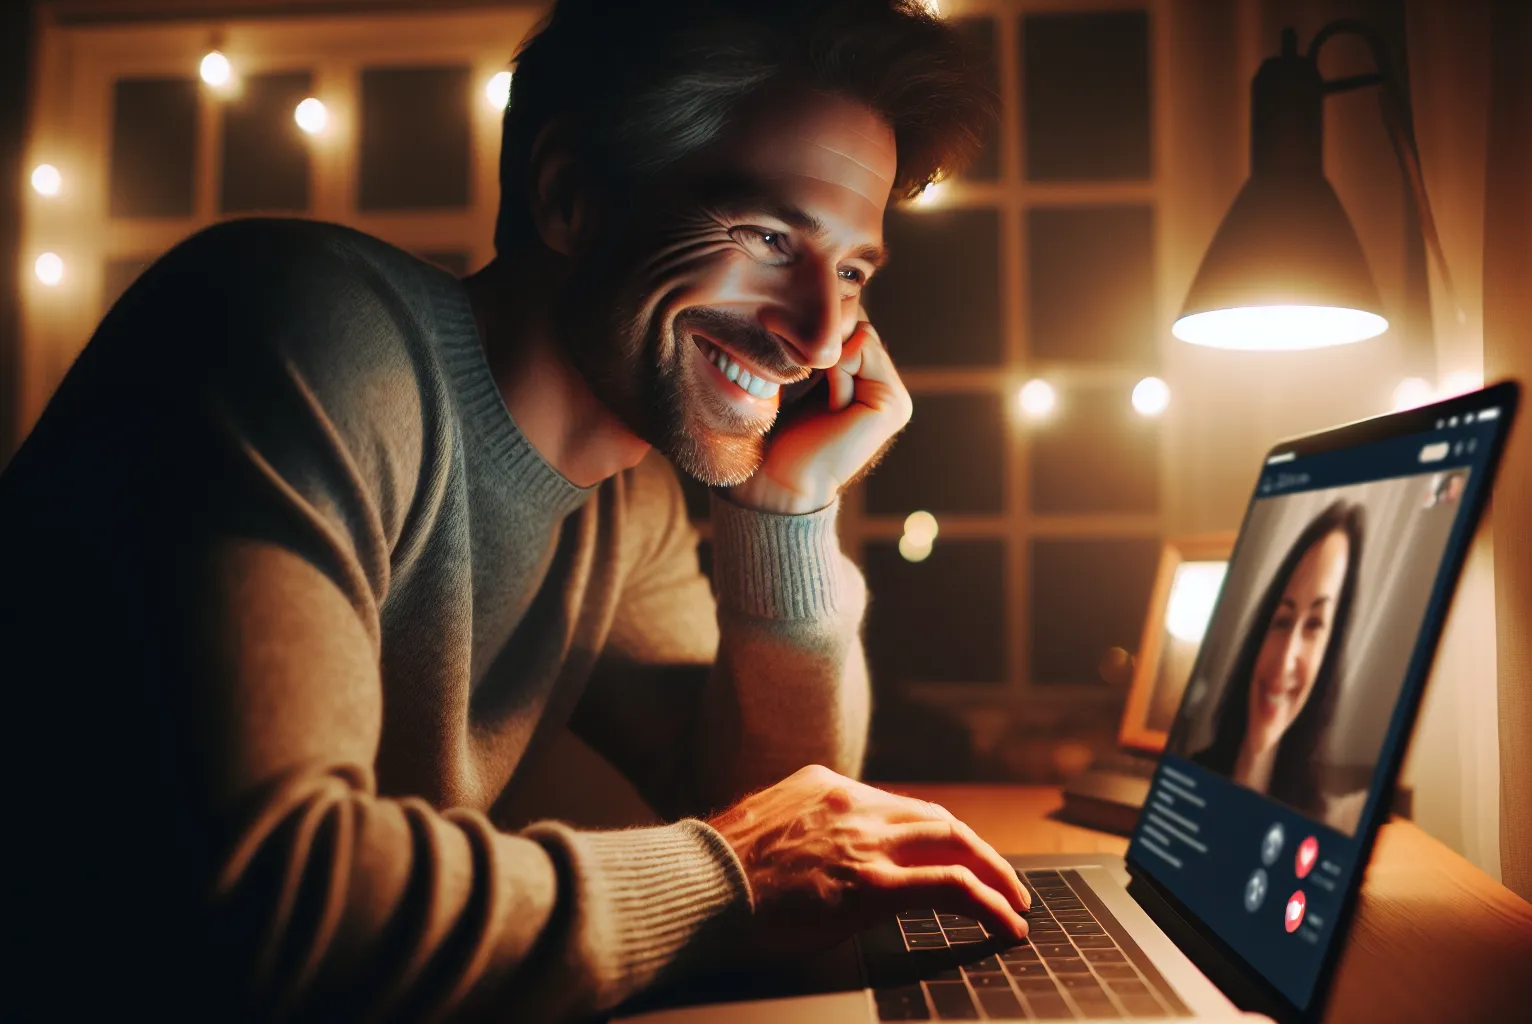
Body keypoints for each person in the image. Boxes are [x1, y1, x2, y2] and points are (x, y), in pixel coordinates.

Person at [0, 1, 1033, 1018]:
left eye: (850, 271)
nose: (818, 336)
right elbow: (265, 901)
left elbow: (777, 811)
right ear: (570, 197)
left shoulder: (629, 502)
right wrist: (725, 883)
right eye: (767, 235)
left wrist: (784, 515)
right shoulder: (293, 329)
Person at [1185, 502, 1366, 831]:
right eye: (1282, 620)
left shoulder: (1322, 824)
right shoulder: (1190, 776)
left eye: (1314, 625)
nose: (1284, 662)